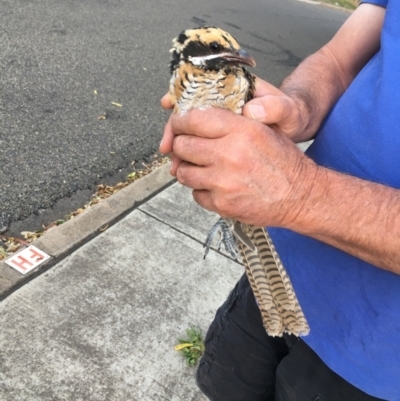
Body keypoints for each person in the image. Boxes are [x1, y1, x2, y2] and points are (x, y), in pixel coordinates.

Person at [160, 1, 399, 400]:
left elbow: (296, 193)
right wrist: (297, 105)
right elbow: (339, 59)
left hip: (375, 359)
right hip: (280, 269)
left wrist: (298, 193)